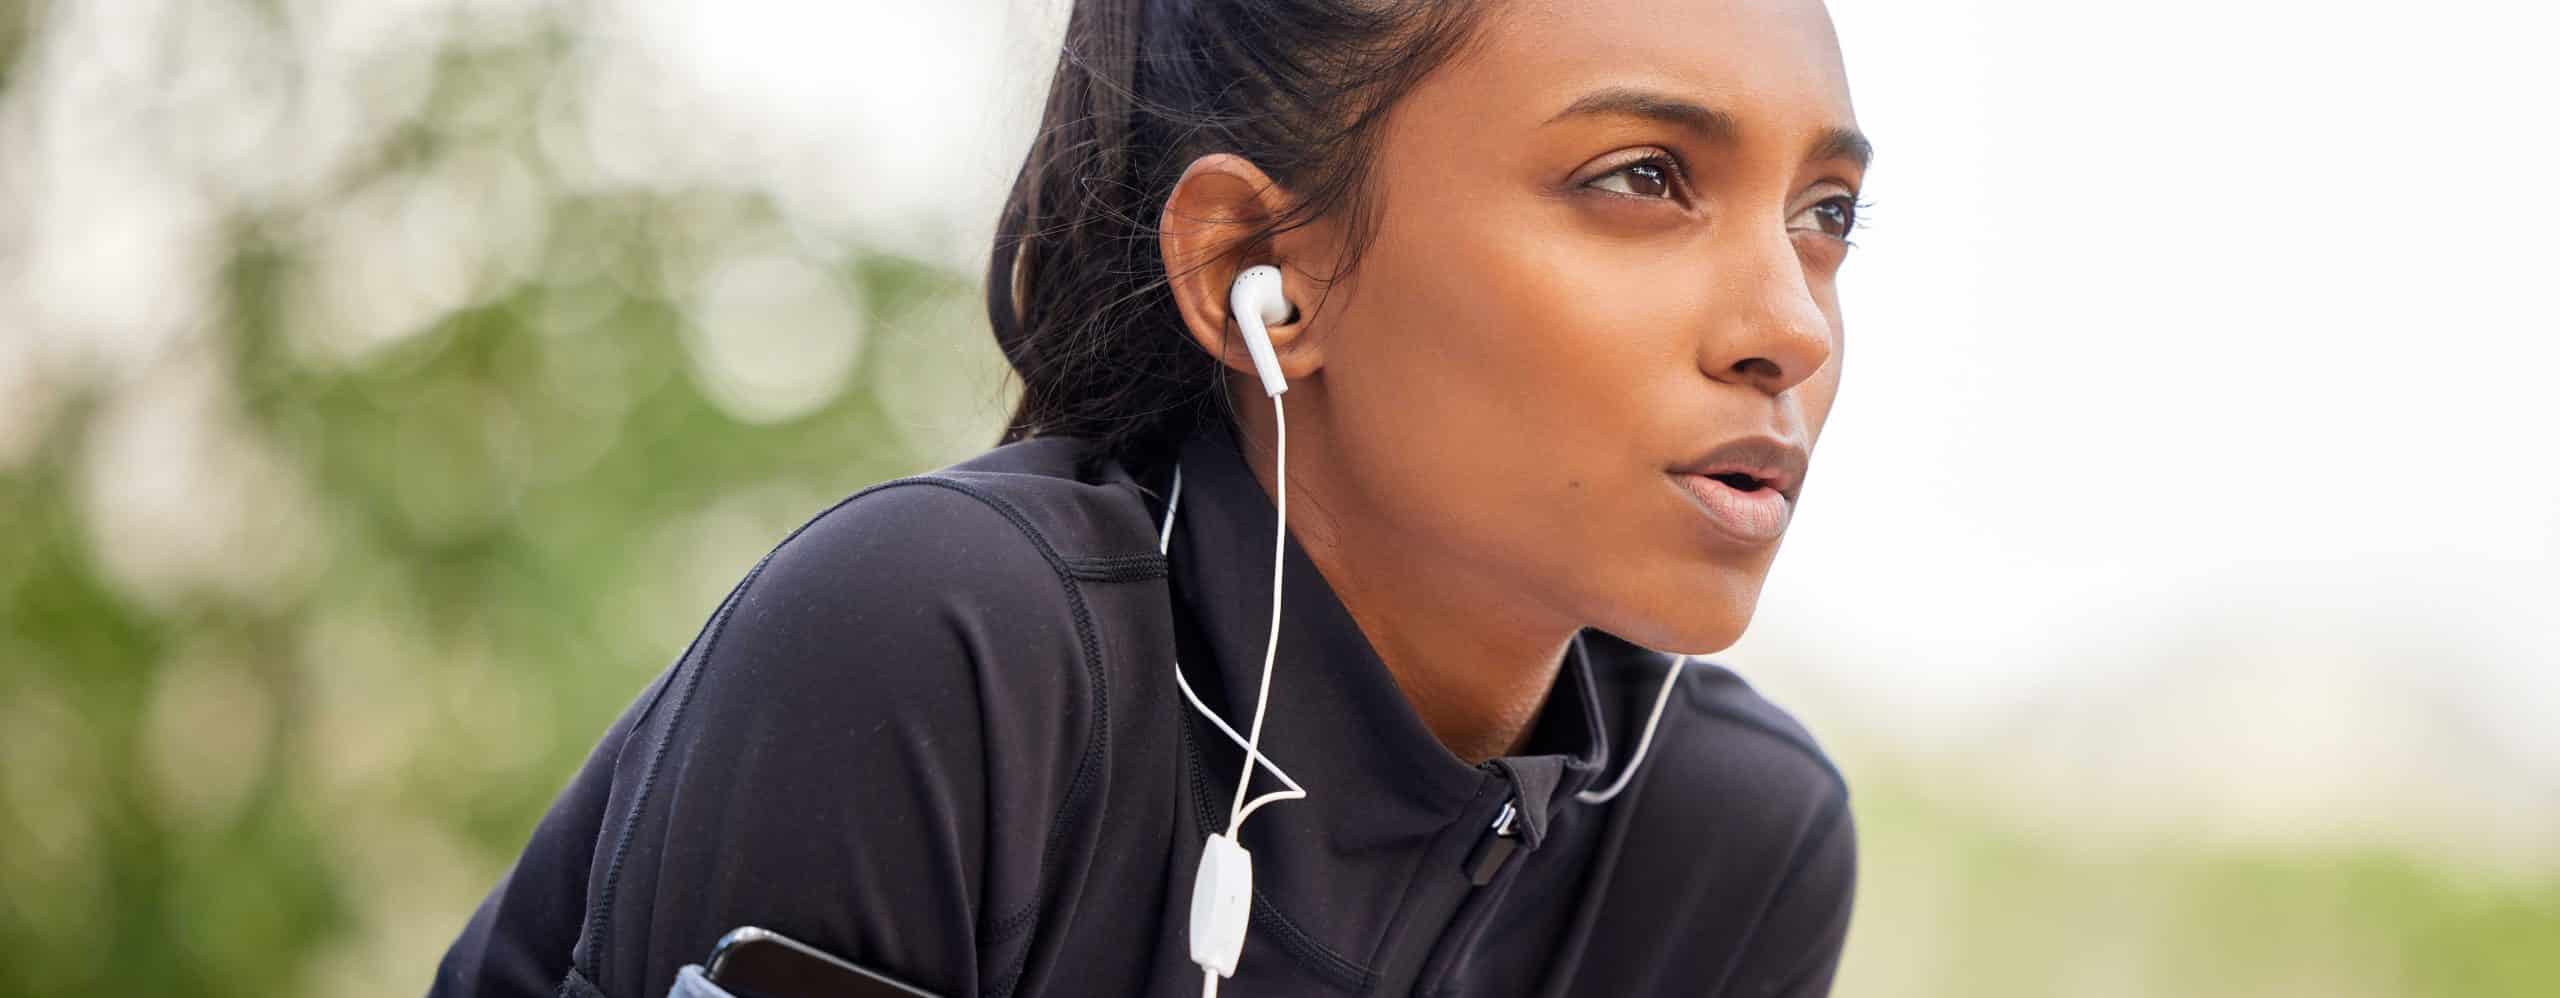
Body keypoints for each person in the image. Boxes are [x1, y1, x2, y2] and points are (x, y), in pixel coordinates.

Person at [432, 0, 1870, 994]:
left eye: (1826, 215)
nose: (1792, 327)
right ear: (1254, 268)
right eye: (1642, 177)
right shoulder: (951, 654)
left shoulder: (1725, 846)